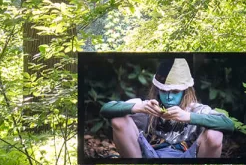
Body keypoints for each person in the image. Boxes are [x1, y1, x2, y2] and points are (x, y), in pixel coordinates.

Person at [99, 58, 235, 158]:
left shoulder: (197, 110)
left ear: (185, 91)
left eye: (175, 92)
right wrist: (138, 107)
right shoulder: (147, 106)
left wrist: (188, 117)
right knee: (118, 120)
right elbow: (106, 109)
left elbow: (229, 125)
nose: (169, 97)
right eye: (164, 91)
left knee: (215, 134)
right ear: (157, 89)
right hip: (147, 157)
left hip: (190, 162)